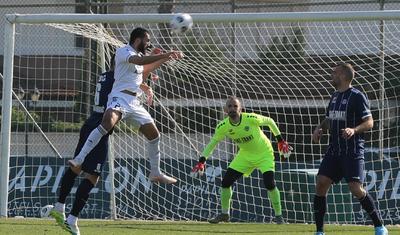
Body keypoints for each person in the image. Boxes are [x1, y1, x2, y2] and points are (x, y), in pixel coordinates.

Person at [68, 27, 183, 184]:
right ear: (138, 40)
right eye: (147, 40)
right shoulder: (123, 51)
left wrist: (165, 58)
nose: (148, 43)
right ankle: (80, 158)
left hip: (135, 103)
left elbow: (146, 68)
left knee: (154, 134)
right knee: (107, 122)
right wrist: (165, 54)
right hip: (120, 97)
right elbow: (140, 61)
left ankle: (155, 172)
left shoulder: (139, 56)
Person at [312, 63, 388, 235]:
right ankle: (319, 231)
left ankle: (379, 226)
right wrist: (319, 128)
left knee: (355, 188)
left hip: (352, 150)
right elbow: (328, 118)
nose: (332, 75)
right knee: (321, 183)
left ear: (344, 76)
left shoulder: (357, 96)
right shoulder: (334, 96)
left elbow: (369, 122)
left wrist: (354, 130)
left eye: (335, 73)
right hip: (334, 149)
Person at [191, 96, 293, 224]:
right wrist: (202, 161)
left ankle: (279, 216)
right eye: (230, 106)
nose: (232, 108)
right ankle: (224, 213)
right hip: (245, 155)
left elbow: (270, 121)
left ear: (241, 109)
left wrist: (280, 140)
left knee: (269, 183)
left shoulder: (251, 118)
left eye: (235, 106)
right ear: (225, 110)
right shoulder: (223, 126)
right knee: (226, 182)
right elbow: (212, 144)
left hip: (264, 153)